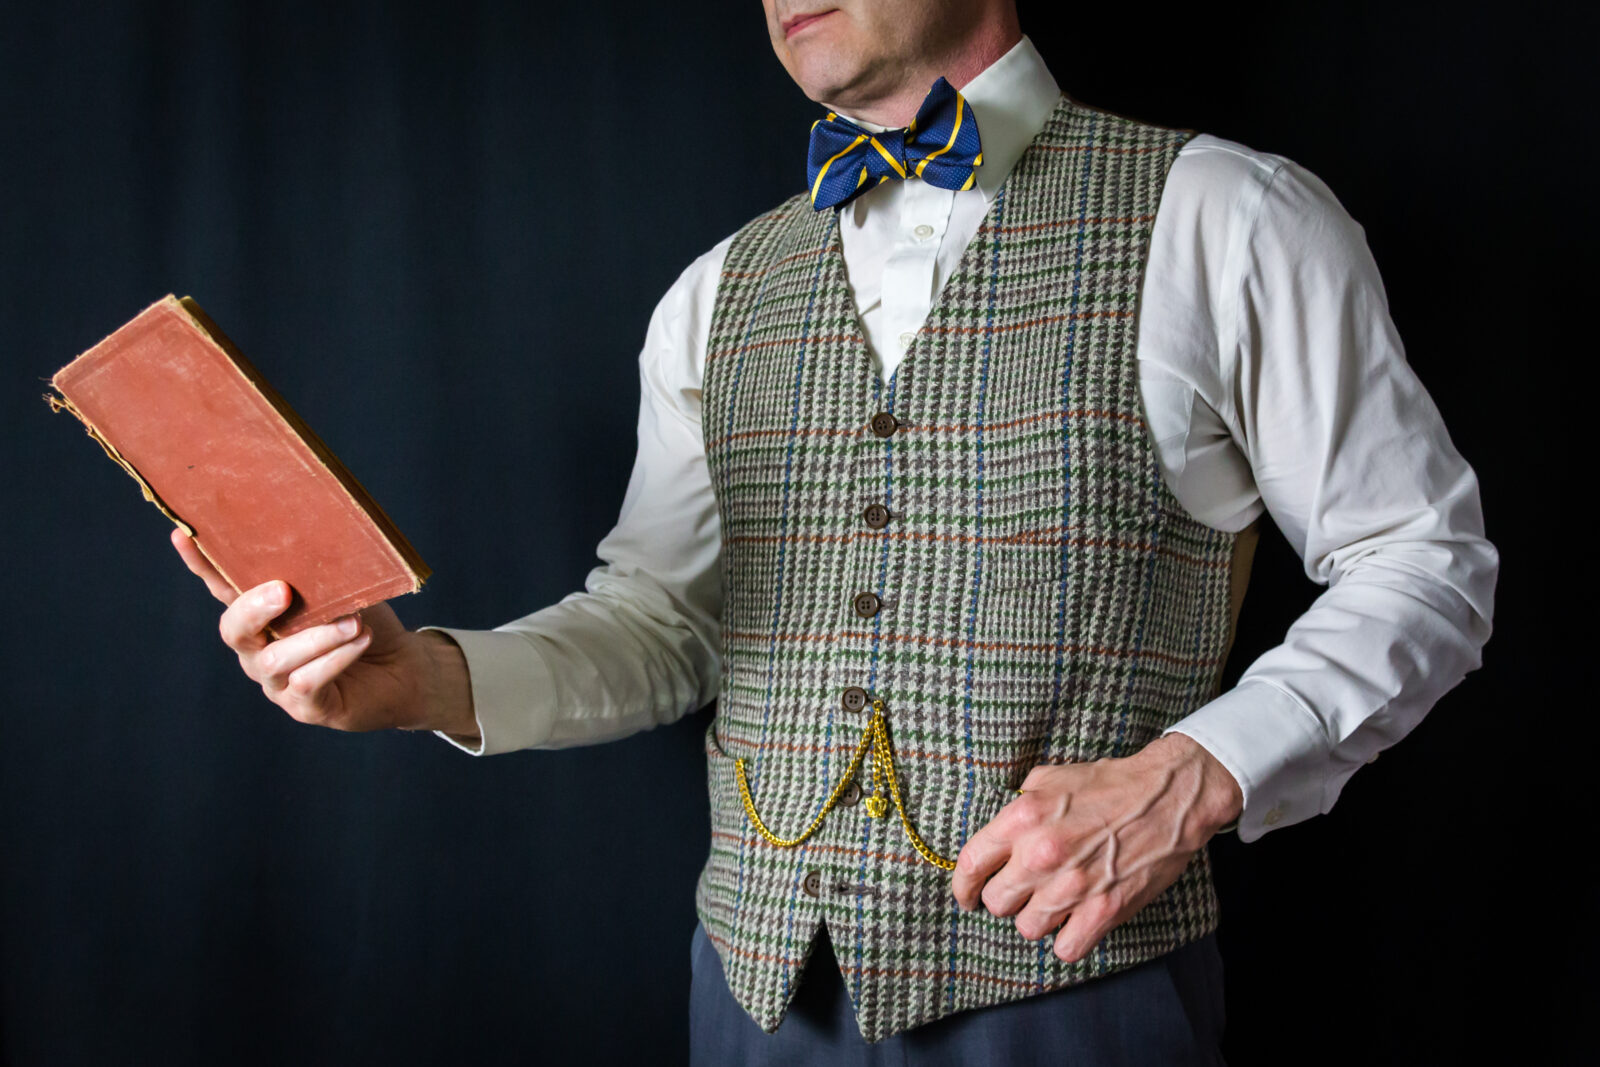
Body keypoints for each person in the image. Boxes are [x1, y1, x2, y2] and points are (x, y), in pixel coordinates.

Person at [172, 0, 1498, 1062]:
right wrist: (424, 682)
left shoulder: (1228, 217)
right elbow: (665, 622)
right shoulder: (716, 292)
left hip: (1070, 997)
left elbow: (1423, 562)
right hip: (754, 1000)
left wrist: (1202, 771)